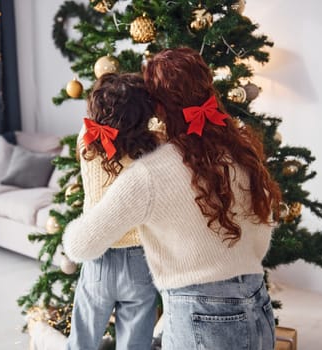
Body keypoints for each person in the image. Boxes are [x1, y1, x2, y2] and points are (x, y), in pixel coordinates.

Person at [63, 47, 281, 350]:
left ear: (159, 109)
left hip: (199, 315)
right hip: (257, 303)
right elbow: (261, 232)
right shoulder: (239, 149)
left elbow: (80, 245)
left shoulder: (150, 174)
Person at [67, 73, 160, 350]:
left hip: (98, 252)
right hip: (139, 258)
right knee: (135, 343)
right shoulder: (153, 148)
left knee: (82, 338)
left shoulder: (86, 140)